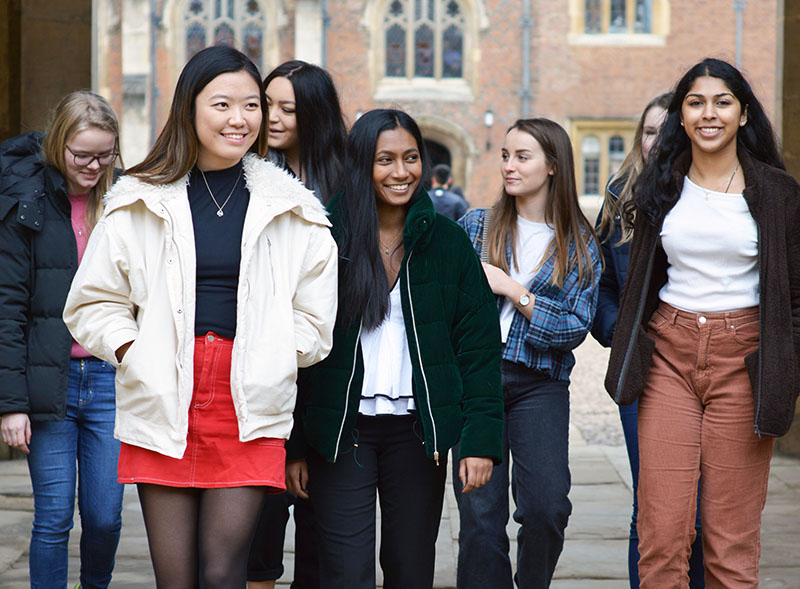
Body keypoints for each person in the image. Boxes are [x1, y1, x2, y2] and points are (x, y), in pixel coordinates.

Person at [62, 45, 338, 588]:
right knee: (176, 579)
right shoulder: (139, 199)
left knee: (223, 571)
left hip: (249, 395)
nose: (240, 119)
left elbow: (316, 313)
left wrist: (278, 355)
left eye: (252, 105)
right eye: (222, 104)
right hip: (164, 389)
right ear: (189, 108)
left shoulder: (293, 208)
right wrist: (132, 351)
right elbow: (93, 301)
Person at [284, 108, 504, 588]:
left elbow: (479, 348)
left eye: (411, 158)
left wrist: (481, 440)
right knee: (345, 572)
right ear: (362, 162)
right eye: (385, 159)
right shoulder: (324, 236)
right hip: (341, 434)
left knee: (410, 569)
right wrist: (295, 445)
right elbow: (295, 350)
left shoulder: (445, 242)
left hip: (416, 436)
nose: (401, 172)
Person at [605, 58, 800, 587]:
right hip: (670, 353)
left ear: (742, 114)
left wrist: (786, 365)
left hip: (745, 357)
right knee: (662, 536)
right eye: (695, 102)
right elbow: (641, 282)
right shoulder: (660, 189)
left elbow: (797, 298)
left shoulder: (779, 195)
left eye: (722, 102)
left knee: (730, 546)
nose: (708, 113)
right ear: (682, 116)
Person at [455, 118, 602, 588]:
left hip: (540, 384)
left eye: (522, 157)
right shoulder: (476, 226)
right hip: (475, 382)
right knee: (480, 518)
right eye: (504, 155)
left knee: (547, 506)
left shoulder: (579, 244)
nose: (509, 166)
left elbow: (572, 329)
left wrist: (512, 290)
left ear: (553, 166)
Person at [0, 91, 123, 588]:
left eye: (105, 155)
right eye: (82, 155)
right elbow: (6, 305)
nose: (93, 166)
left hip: (111, 382)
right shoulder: (26, 202)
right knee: (53, 519)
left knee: (105, 517)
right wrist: (11, 404)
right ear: (57, 147)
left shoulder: (125, 203)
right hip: (47, 384)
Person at [592, 92, 706, 588]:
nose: (658, 141)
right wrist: (627, 336)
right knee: (654, 502)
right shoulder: (620, 200)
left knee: (707, 507)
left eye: (668, 130)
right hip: (646, 368)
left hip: (709, 362)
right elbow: (600, 286)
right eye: (649, 130)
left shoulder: (711, 197)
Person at [248, 59, 347, 589]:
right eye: (267, 105)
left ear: (314, 112)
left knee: (322, 531)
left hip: (330, 367)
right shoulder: (247, 175)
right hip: (267, 362)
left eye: (288, 107)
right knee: (259, 527)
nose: (273, 117)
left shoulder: (346, 182)